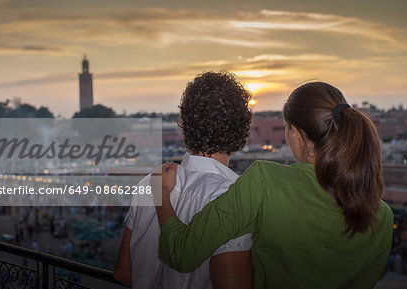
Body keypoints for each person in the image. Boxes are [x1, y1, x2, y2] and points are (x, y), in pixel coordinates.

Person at [154, 82, 394, 288]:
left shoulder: (264, 180)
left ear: (297, 134)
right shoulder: (382, 217)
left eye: (286, 128)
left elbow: (182, 253)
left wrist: (161, 194)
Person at [114, 71, 254, 289]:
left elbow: (123, 273)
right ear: (241, 131)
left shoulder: (149, 184)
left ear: (186, 125)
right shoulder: (234, 198)